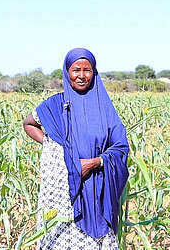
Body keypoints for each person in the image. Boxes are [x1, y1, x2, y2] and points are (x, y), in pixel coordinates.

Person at [23, 48, 129, 249]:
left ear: (94, 72)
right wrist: (56, 149)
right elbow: (29, 124)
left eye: (87, 70)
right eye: (76, 70)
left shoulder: (104, 107)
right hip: (62, 188)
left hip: (96, 186)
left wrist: (96, 162)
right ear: (67, 72)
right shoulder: (55, 104)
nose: (81, 75)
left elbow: (121, 146)